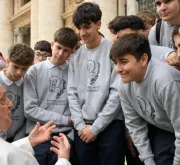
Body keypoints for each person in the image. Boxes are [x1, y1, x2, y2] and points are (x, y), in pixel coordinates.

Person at [0, 77, 71, 165]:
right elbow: (4, 156)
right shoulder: (9, 156)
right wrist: (63, 159)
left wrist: (29, 141)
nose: (11, 104)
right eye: (2, 100)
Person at [68, 2, 125, 165]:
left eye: (86, 27)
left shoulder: (114, 50)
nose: (82, 33)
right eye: (78, 28)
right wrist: (80, 126)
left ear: (98, 24)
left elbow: (117, 93)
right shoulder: (76, 57)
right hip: (82, 129)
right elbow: (71, 93)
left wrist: (96, 128)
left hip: (111, 126)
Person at [110, 33, 180, 165]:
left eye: (123, 62)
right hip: (163, 129)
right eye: (115, 63)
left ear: (143, 59)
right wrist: (148, 161)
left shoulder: (164, 81)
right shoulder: (124, 83)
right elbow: (134, 124)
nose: (118, 69)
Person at [24, 27, 78, 165]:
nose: (60, 53)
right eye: (58, 47)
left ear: (71, 51)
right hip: (38, 135)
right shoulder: (34, 71)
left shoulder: (74, 71)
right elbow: (30, 109)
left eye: (66, 50)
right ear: (52, 44)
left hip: (64, 136)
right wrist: (65, 120)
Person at [0, 43, 34, 142]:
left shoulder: (29, 83)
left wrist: (19, 139)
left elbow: (29, 115)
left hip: (19, 139)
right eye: (16, 67)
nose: (19, 72)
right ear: (8, 61)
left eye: (24, 69)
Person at [108, 15, 175, 63]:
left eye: (127, 37)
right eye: (120, 38)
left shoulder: (165, 54)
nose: (123, 42)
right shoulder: (116, 59)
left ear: (141, 33)